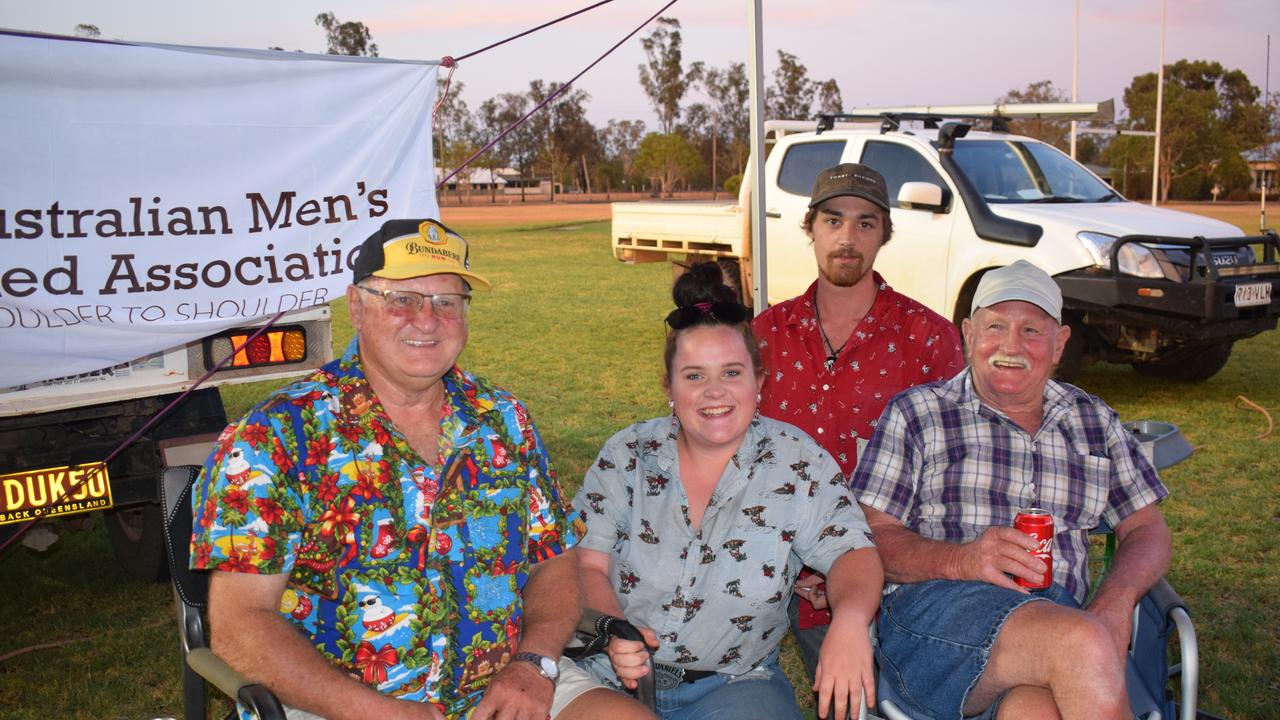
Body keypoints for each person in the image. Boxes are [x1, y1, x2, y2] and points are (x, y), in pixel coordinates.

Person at [191, 219, 653, 720]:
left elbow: (554, 559)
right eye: (402, 298)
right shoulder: (275, 436)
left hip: (501, 684)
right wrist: (380, 712)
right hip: (332, 702)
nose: (427, 320)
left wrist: (534, 661)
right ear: (357, 307)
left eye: (447, 301)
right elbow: (239, 624)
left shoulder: (504, 420)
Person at [851, 260, 1173, 720]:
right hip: (938, 615)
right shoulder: (918, 413)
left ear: (1059, 343)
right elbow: (867, 538)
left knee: (1034, 710)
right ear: (967, 332)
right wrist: (962, 559)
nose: (1010, 345)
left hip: (1053, 619)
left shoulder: (1093, 420)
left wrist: (1116, 601)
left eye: (1031, 331)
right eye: (995, 326)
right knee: (1082, 642)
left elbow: (1146, 527)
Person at [571, 262, 884, 720]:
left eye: (732, 373)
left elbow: (853, 551)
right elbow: (586, 562)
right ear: (669, 388)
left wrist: (852, 622)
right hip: (608, 675)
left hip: (736, 684)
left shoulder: (797, 460)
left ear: (759, 382)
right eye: (694, 376)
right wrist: (615, 628)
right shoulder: (628, 454)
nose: (713, 392)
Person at [751, 163, 964, 679]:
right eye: (833, 220)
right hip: (766, 565)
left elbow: (954, 473)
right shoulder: (764, 333)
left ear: (884, 234)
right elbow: (729, 453)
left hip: (886, 570)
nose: (848, 238)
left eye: (865, 223)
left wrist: (853, 571)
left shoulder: (929, 339)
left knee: (876, 697)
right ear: (810, 228)